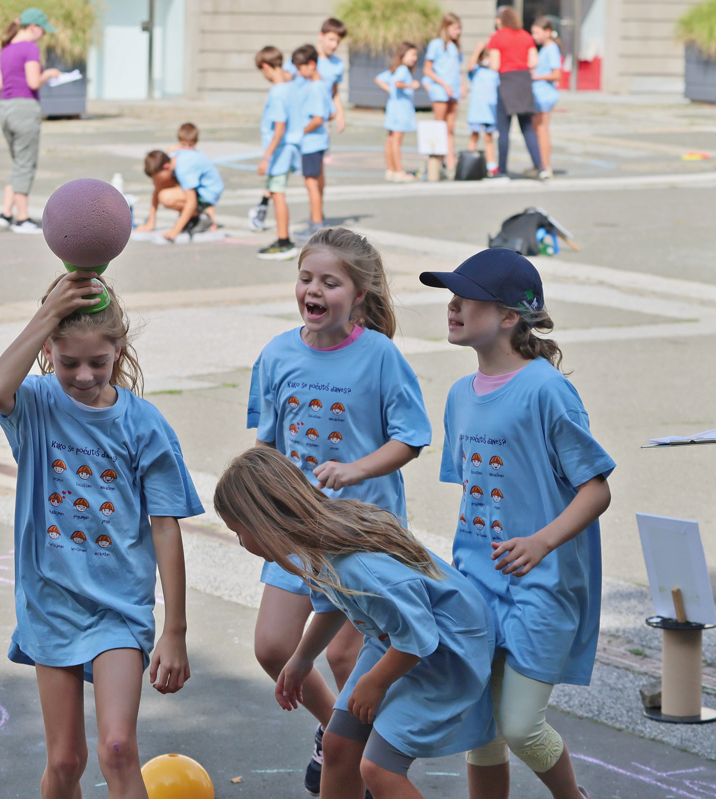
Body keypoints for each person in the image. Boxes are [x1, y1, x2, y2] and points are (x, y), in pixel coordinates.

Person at [0, 269, 202, 797]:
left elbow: (165, 529)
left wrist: (176, 630)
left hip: (118, 606)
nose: (82, 375)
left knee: (118, 748)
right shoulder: (34, 404)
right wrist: (47, 314)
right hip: (51, 602)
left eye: (98, 362)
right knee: (64, 760)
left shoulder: (144, 423)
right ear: (47, 350)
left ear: (119, 351)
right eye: (68, 361)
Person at [419, 249, 613, 799]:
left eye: (466, 296)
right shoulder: (459, 395)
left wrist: (541, 542)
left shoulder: (547, 390)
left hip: (541, 587)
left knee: (522, 727)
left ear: (509, 316)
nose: (451, 306)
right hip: (477, 586)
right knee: (479, 731)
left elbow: (595, 489)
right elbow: (479, 494)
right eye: (449, 296)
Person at [247, 227, 433, 796]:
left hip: (362, 531)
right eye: (306, 278)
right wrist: (258, 506)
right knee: (274, 647)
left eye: (331, 281)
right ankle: (335, 733)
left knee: (348, 653)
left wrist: (356, 470)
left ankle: (369, 767)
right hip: (296, 528)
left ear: (358, 294)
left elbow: (412, 437)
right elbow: (268, 447)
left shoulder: (379, 356)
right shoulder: (277, 353)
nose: (314, 289)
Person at [214, 447, 496, 799]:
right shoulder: (316, 543)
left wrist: (375, 682)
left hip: (446, 652)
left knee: (379, 768)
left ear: (263, 521)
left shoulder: (355, 565)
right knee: (338, 745)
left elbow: (419, 636)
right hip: (397, 641)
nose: (240, 542)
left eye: (239, 532)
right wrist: (302, 659)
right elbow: (339, 604)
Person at [0, 7, 61, 234]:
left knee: (17, 162)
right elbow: (33, 82)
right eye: (43, 30)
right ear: (34, 27)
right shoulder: (30, 48)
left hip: (5, 108)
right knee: (25, 164)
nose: (43, 35)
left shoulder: (6, 49)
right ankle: (22, 219)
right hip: (25, 108)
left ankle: (5, 213)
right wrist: (49, 74)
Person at [486, 6, 548, 180]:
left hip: (507, 82)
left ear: (501, 20)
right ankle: (540, 166)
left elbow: (495, 65)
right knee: (528, 128)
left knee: (503, 130)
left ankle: (503, 171)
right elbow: (534, 61)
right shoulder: (525, 36)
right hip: (524, 83)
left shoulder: (497, 37)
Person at [138, 123, 224, 242]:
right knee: (160, 188)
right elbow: (157, 187)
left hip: (208, 193)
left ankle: (203, 216)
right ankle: (195, 217)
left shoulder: (184, 168)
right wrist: (150, 222)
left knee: (165, 196)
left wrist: (175, 230)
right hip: (198, 186)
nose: (156, 182)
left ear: (166, 166)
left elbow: (191, 201)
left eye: (158, 177)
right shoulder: (171, 159)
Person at [254, 46, 301, 260]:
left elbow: (279, 128)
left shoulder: (277, 91)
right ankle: (283, 239)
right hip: (290, 148)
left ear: (265, 67)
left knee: (278, 193)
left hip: (279, 151)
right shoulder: (291, 85)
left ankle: (284, 241)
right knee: (275, 192)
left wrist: (266, 157)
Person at [292, 45, 335, 240]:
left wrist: (298, 132)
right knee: (316, 182)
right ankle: (316, 219)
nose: (298, 73)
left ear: (311, 64)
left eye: (300, 68)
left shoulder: (316, 87)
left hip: (311, 143)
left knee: (311, 184)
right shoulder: (318, 84)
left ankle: (316, 224)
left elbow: (318, 118)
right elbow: (332, 112)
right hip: (317, 142)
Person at [423, 14, 464, 175]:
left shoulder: (456, 46)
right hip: (441, 91)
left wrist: (461, 85)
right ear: (446, 28)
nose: (458, 32)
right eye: (455, 28)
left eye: (459, 29)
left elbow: (458, 69)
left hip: (453, 92)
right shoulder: (436, 44)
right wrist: (443, 84)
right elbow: (428, 69)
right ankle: (436, 161)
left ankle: (450, 161)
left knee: (450, 128)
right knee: (438, 126)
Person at [375, 43, 420, 183]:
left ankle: (391, 170)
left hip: (393, 107)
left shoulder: (395, 69)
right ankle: (399, 171)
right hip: (401, 110)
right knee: (396, 141)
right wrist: (411, 85)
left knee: (390, 140)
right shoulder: (403, 70)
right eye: (412, 54)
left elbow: (379, 79)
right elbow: (398, 83)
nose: (415, 58)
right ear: (403, 55)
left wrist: (390, 90)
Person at [531, 17, 563, 177]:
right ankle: (540, 164)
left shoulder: (551, 48)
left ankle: (545, 165)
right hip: (539, 93)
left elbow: (557, 74)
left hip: (544, 94)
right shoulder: (544, 48)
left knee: (542, 131)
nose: (534, 36)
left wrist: (537, 77)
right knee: (537, 130)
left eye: (537, 33)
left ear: (547, 32)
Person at [466, 43, 501, 177]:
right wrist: (478, 50)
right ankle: (470, 162)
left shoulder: (494, 73)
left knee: (489, 138)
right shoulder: (477, 71)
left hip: (490, 113)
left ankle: (491, 165)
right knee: (474, 136)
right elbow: (470, 65)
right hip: (477, 111)